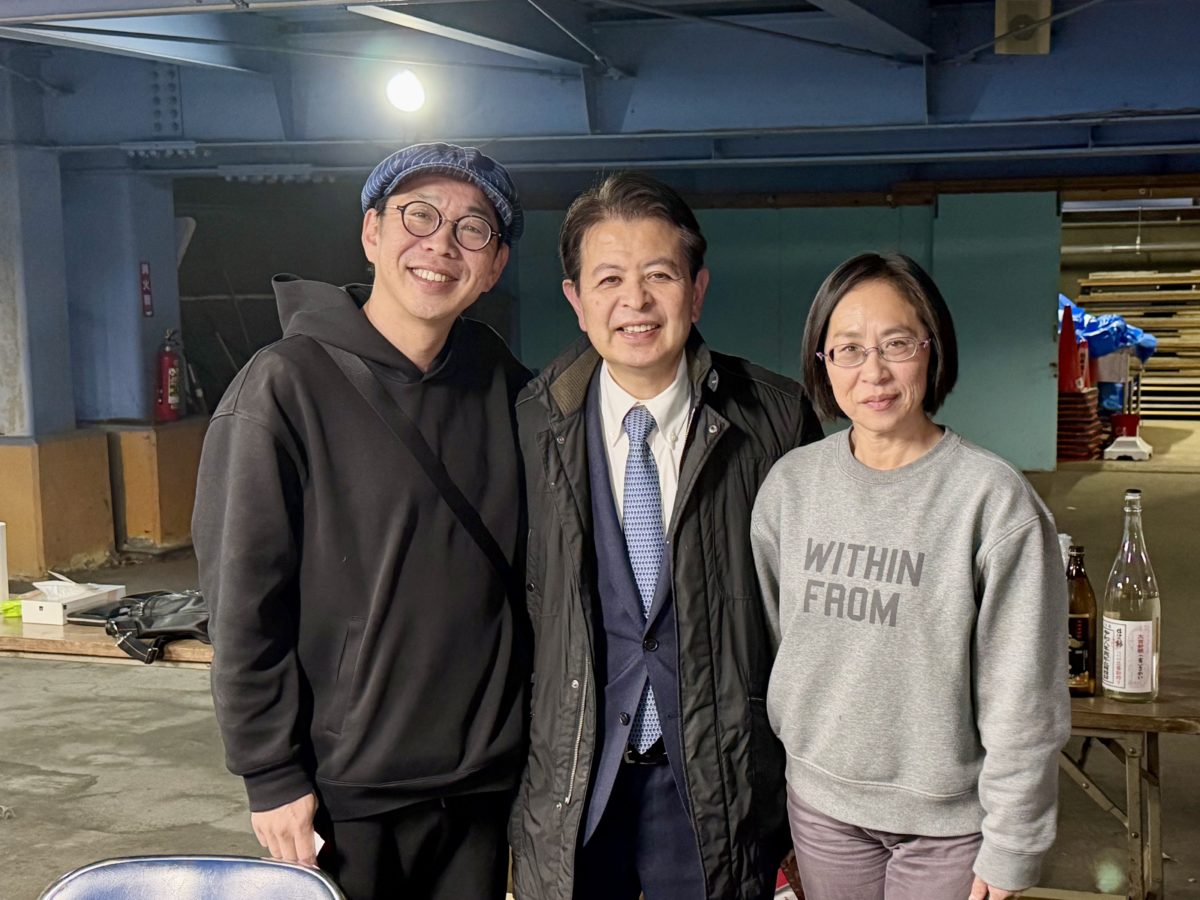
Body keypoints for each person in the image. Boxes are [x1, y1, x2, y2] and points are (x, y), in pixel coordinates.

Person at [192, 142, 531, 900]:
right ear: (372, 233)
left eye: (473, 228)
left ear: (495, 265)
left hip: (481, 787)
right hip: (348, 792)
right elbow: (241, 603)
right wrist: (270, 772)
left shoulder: (507, 387)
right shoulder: (284, 387)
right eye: (419, 216)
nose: (441, 244)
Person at [510, 171, 823, 900]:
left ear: (697, 289)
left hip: (721, 783)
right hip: (577, 784)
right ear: (575, 299)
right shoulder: (529, 425)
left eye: (660, 275)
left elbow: (813, 623)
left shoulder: (775, 421)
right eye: (609, 279)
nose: (636, 301)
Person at [751, 252, 1070, 900]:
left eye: (896, 343)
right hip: (822, 806)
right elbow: (778, 640)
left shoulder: (991, 500)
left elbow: (1025, 692)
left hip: (948, 823)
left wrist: (1013, 840)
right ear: (822, 362)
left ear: (932, 348)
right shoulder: (791, 488)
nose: (873, 371)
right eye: (848, 349)